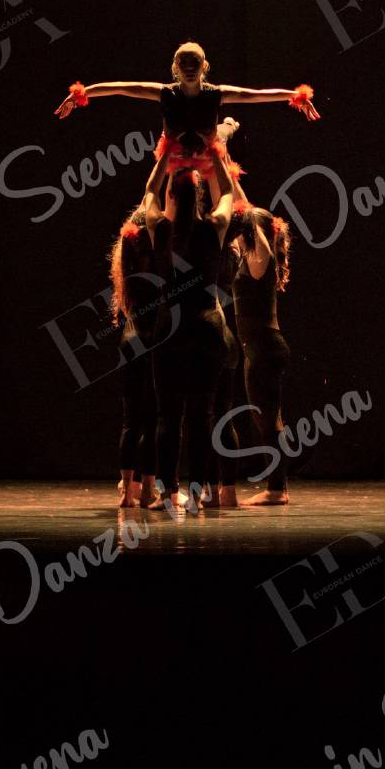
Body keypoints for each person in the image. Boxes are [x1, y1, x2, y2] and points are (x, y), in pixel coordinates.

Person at [53, 42, 319, 199]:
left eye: (195, 63)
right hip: (177, 155)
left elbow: (256, 95)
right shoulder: (165, 93)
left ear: (204, 66)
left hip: (209, 150)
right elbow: (122, 87)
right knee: (159, 200)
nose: (190, 68)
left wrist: (297, 96)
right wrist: (81, 93)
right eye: (184, 63)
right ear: (175, 68)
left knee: (232, 196)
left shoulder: (215, 93)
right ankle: (226, 125)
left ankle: (229, 124)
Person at [141, 150, 238, 512]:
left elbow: (149, 191)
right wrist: (215, 155)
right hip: (206, 328)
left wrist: (166, 157)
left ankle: (168, 494)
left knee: (168, 417)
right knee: (202, 416)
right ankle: (196, 495)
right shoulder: (213, 229)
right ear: (199, 197)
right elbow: (227, 193)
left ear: (171, 196)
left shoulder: (160, 230)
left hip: (170, 328)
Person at [231, 204, 293, 504]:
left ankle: (277, 489)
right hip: (261, 348)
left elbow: (258, 235)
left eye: (243, 231)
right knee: (268, 419)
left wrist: (251, 218)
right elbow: (241, 206)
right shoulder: (250, 258)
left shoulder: (260, 261)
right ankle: (277, 487)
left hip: (264, 349)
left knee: (267, 421)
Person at [109, 196, 161, 507]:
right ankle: (149, 490)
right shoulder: (155, 260)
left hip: (129, 339)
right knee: (152, 420)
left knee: (131, 421)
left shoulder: (127, 262)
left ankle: (127, 491)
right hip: (152, 339)